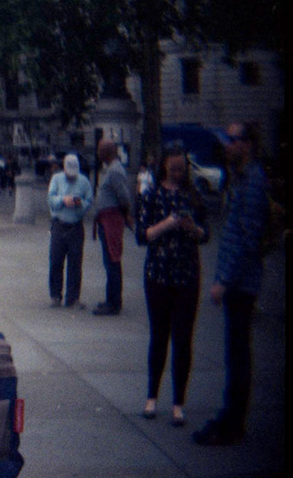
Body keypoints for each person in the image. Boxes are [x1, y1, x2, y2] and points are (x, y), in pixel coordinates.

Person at [196, 125, 270, 445]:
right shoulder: (240, 176)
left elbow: (248, 238)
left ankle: (233, 421)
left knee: (238, 353)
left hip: (241, 283)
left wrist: (224, 280)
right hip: (236, 281)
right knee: (234, 352)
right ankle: (230, 415)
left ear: (248, 144)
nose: (227, 145)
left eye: (233, 140)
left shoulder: (253, 181)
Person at [133, 145, 208, 427]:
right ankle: (151, 397)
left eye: (181, 168)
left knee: (183, 339)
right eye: (172, 168)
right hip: (158, 275)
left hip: (187, 275)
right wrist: (168, 223)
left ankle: (178, 402)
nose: (177, 173)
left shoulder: (193, 195)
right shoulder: (152, 196)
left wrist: (192, 228)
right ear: (163, 166)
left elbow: (205, 234)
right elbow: (142, 235)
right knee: (159, 335)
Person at [90, 141, 136, 315]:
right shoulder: (113, 169)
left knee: (112, 260)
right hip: (106, 220)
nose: (97, 153)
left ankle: (114, 302)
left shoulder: (115, 170)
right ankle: (111, 299)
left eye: (100, 150)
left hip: (111, 221)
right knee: (110, 260)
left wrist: (126, 215)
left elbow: (124, 197)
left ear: (107, 152)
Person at [47, 152, 93, 308]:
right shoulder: (57, 179)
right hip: (59, 224)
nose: (71, 176)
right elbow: (51, 200)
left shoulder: (84, 182)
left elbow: (89, 201)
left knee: (75, 263)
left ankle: (73, 297)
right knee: (56, 261)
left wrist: (80, 204)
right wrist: (63, 200)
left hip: (76, 225)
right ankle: (55, 295)